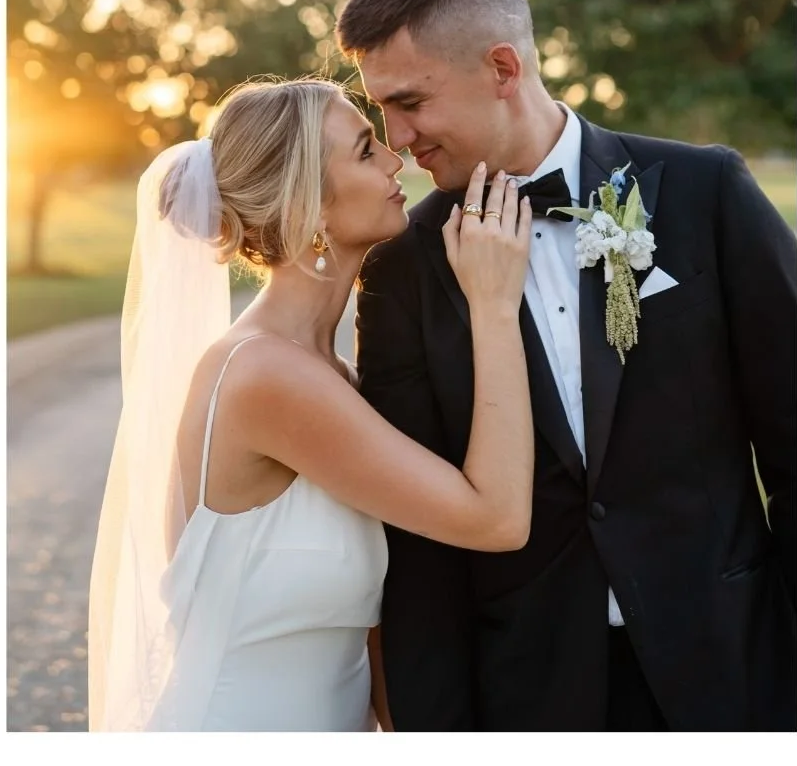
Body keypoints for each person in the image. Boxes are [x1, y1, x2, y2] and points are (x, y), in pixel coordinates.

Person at [337, 0, 796, 732]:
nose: (398, 138)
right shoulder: (402, 268)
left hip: (735, 671)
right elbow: (420, 547)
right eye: (381, 110)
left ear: (503, 69)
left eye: (410, 102)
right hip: (530, 698)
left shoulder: (704, 195)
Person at [87, 76, 533, 731]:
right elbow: (496, 520)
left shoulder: (334, 378)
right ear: (310, 207)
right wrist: (494, 306)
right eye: (363, 151)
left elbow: (374, 627)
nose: (395, 160)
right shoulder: (264, 376)